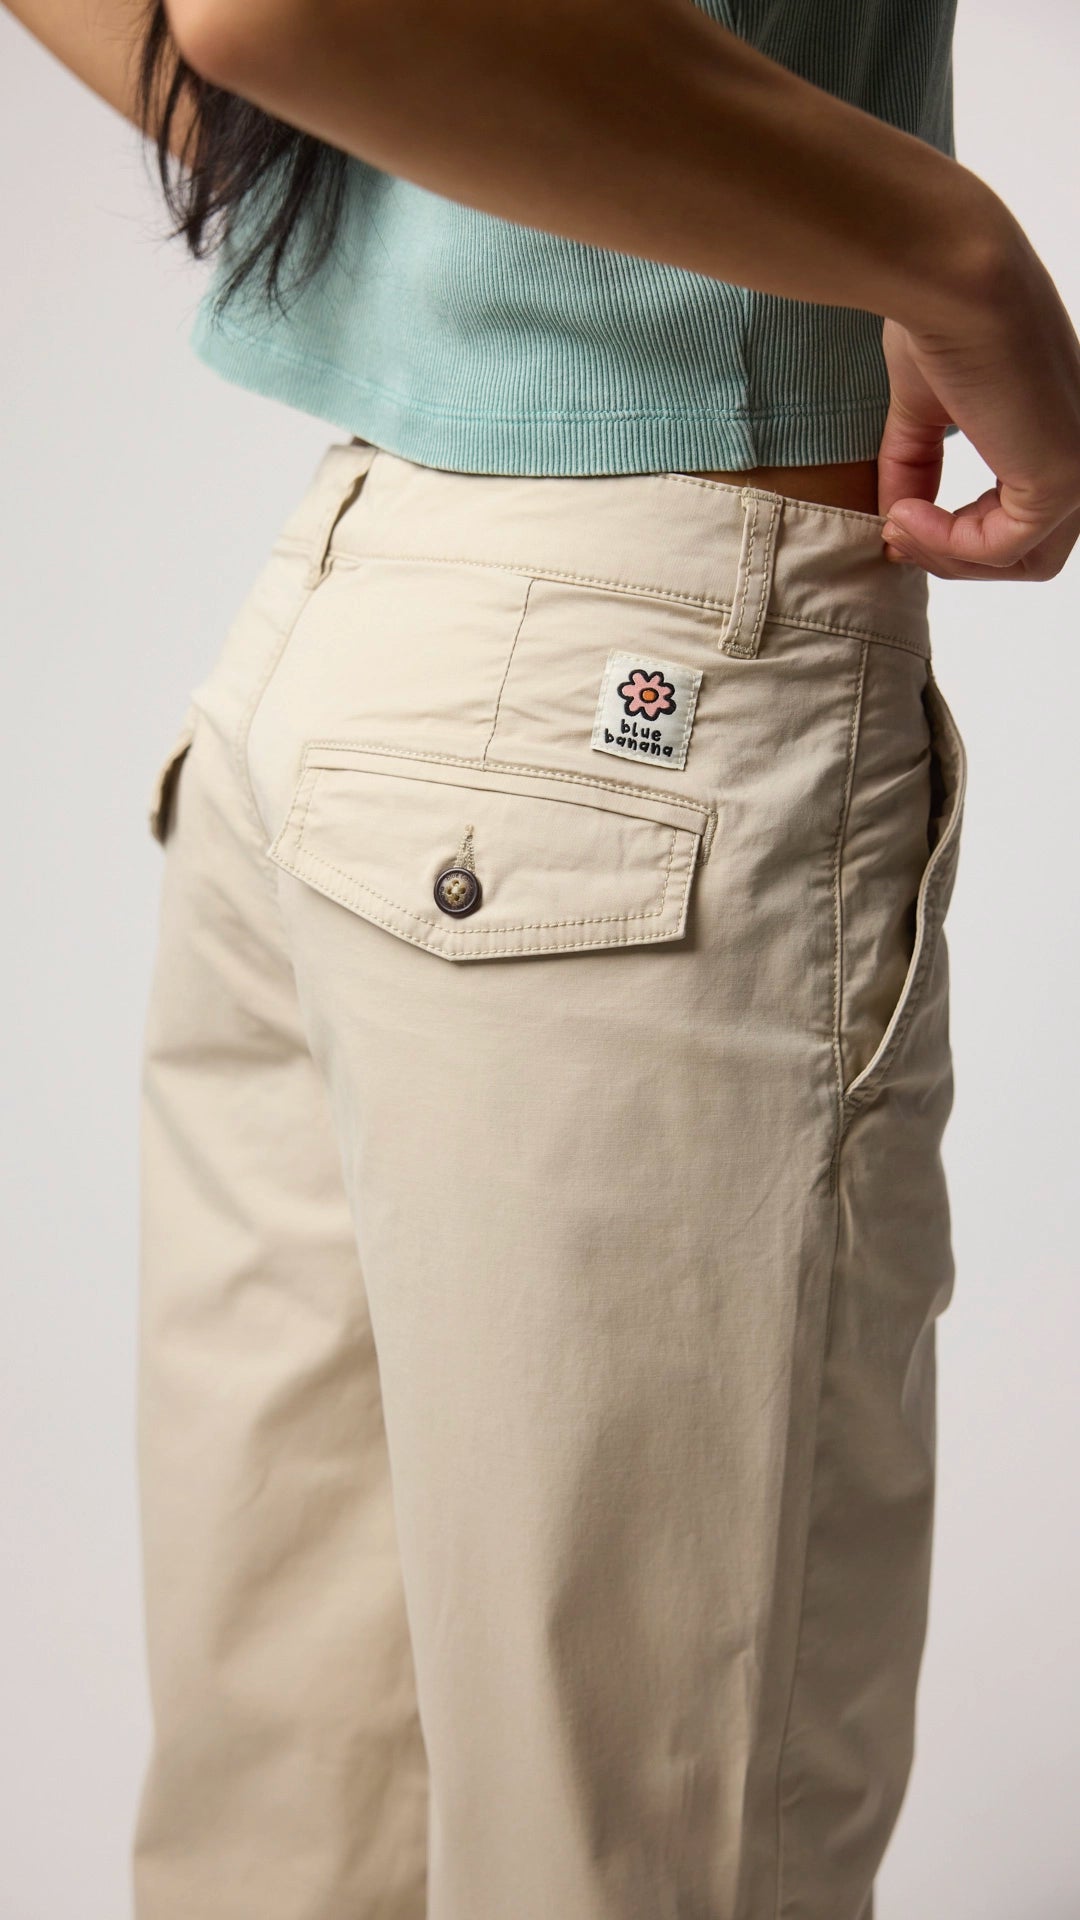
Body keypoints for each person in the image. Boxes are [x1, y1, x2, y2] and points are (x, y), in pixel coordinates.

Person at [7, 2, 1079, 1916]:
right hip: (633, 696)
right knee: (641, 1861)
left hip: (355, 633)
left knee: (287, 1839)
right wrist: (954, 255)